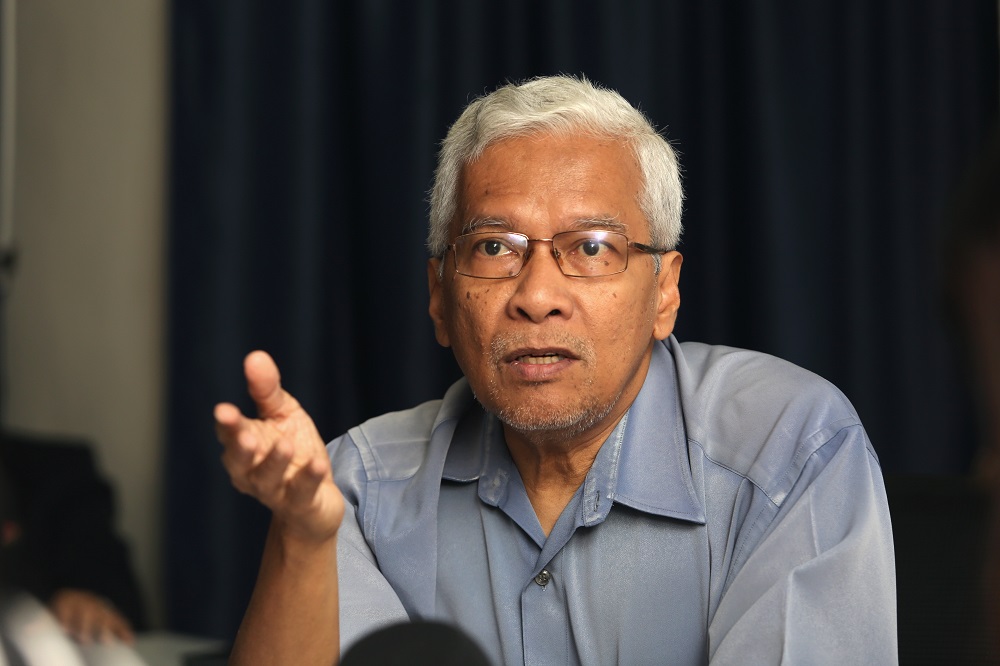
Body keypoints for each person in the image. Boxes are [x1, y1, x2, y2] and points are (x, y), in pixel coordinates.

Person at [214, 75, 897, 664]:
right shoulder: (359, 486)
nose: (537, 297)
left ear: (664, 292)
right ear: (440, 298)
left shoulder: (789, 451)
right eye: (492, 246)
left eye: (593, 247)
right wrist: (302, 539)